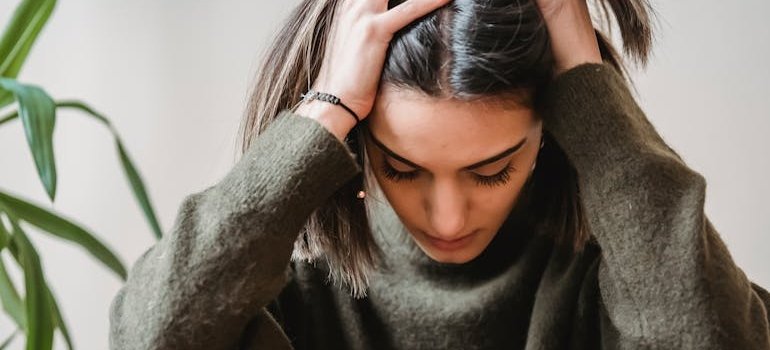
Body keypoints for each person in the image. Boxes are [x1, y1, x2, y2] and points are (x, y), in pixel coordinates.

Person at [108, 0, 770, 349]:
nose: (446, 218)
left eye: (491, 171)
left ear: (550, 134)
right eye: (402, 166)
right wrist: (327, 103)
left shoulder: (628, 283)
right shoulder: (291, 286)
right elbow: (154, 338)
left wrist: (588, 84)